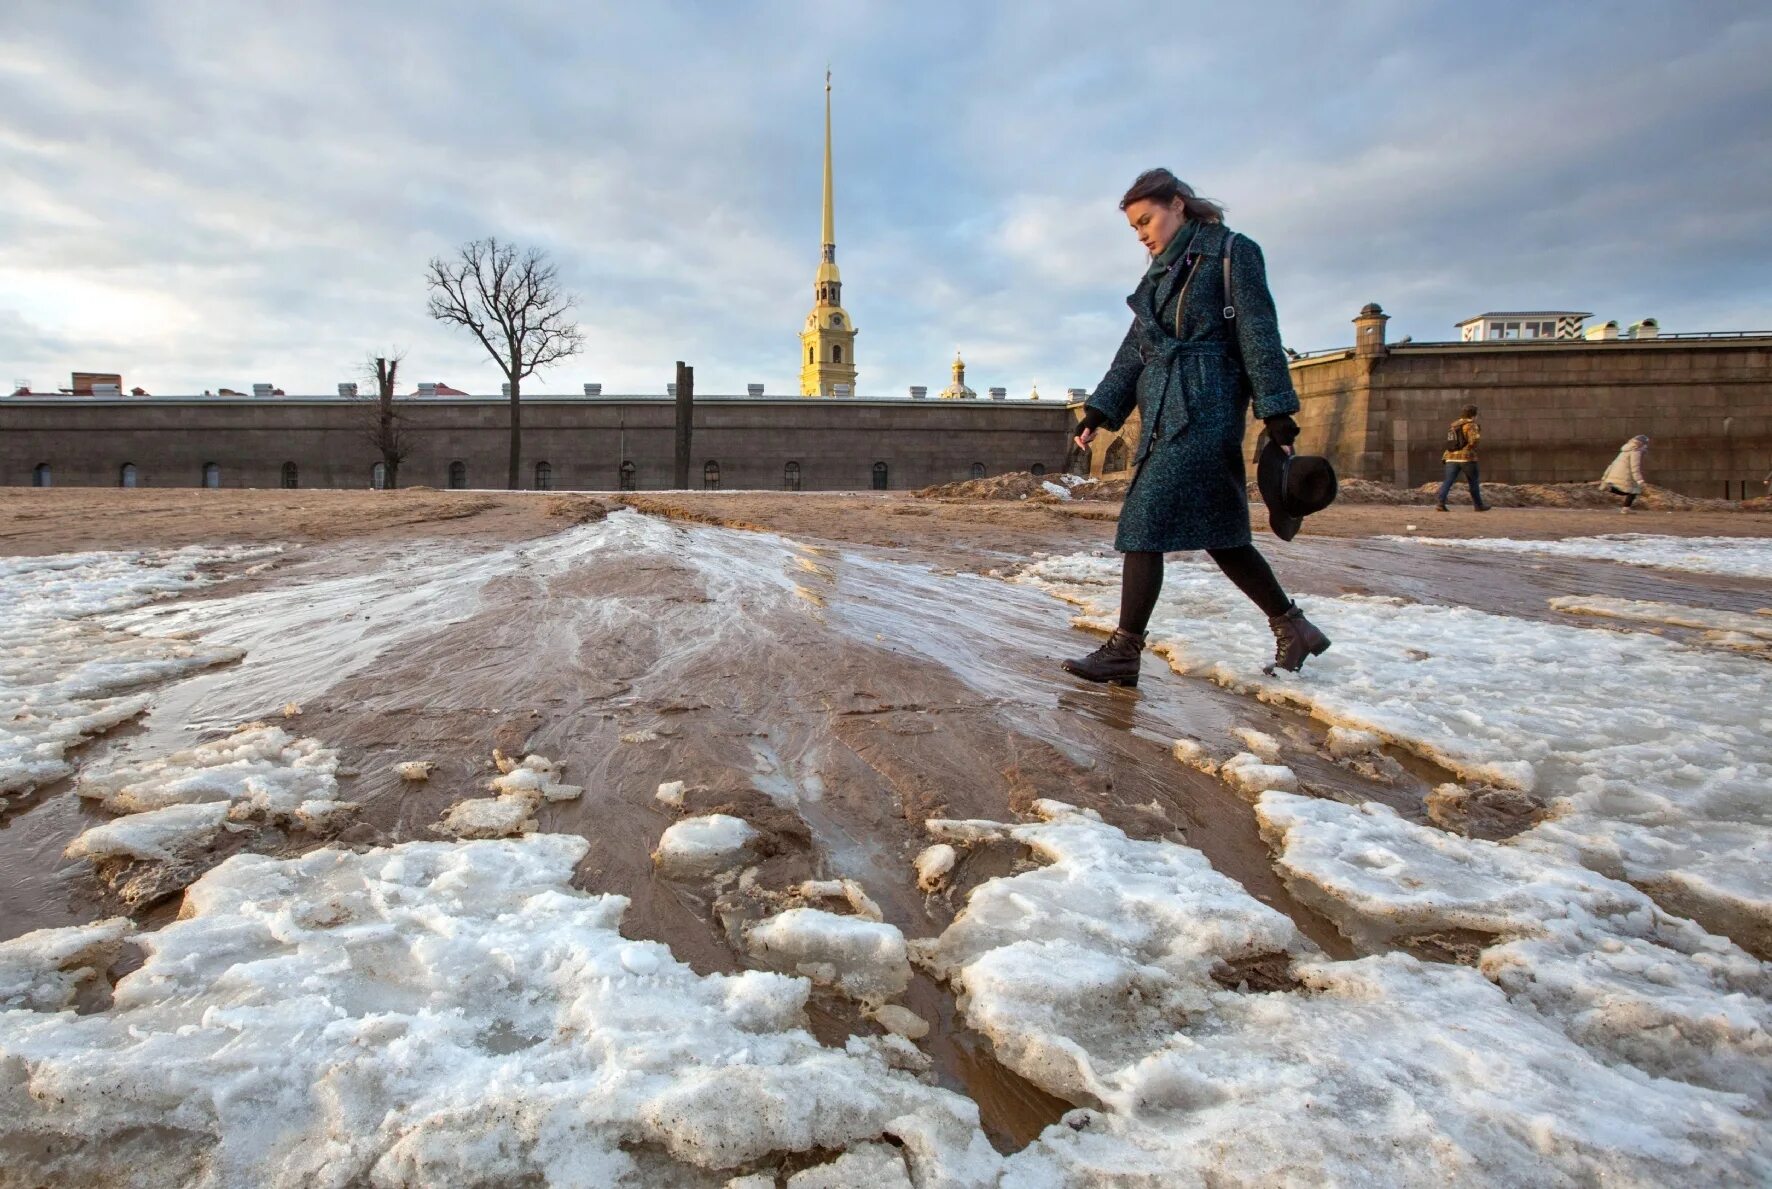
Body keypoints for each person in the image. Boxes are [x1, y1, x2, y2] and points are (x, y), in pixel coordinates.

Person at [1065, 169, 1329, 688]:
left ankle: (1124, 651)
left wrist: (1276, 408)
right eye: (1134, 227)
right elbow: (1133, 352)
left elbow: (1258, 330)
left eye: (1147, 219)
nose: (1142, 233)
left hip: (1208, 408)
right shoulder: (1158, 276)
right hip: (1164, 411)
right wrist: (1100, 410)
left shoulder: (1231, 251)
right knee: (1222, 534)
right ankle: (1293, 626)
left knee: (1142, 523)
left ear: (1179, 205)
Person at [1436, 404, 1488, 511]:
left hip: (1451, 456)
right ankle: (1478, 506)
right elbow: (1474, 440)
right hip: (1466, 458)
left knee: (1448, 481)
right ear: (1473, 414)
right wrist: (1469, 447)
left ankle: (1440, 503)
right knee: (1473, 481)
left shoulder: (1453, 425)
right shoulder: (1471, 425)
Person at [1599, 435, 1650, 512]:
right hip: (1626, 473)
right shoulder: (1636, 451)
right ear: (1642, 443)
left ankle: (1611, 490)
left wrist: (1606, 475)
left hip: (1617, 472)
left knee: (1630, 490)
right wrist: (1639, 480)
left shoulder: (1627, 448)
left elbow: (1614, 462)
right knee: (1634, 490)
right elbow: (1635, 466)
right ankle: (1625, 508)